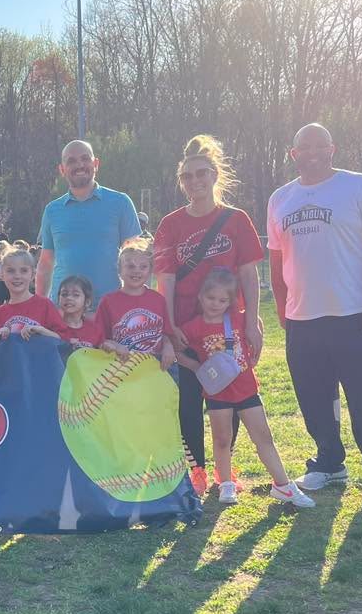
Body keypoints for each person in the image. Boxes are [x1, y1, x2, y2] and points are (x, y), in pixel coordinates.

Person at [268, 123, 362, 499]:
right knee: (314, 397)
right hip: (303, 317)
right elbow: (276, 259)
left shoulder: (359, 186)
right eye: (303, 148)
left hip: (356, 313)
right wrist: (283, 308)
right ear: (293, 154)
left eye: (319, 146)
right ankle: (329, 464)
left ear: (332, 149)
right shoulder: (280, 198)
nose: (311, 153)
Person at [155, 135, 265, 494]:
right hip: (188, 327)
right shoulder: (170, 224)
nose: (194, 182)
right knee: (188, 398)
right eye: (187, 177)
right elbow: (166, 280)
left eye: (201, 174)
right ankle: (197, 472)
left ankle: (224, 470)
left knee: (228, 393)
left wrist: (251, 322)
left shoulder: (236, 219)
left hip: (228, 327)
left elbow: (249, 275)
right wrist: (170, 328)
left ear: (215, 175)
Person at [176, 268, 314, 509]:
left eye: (222, 300)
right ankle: (225, 483)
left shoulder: (238, 319)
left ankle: (282, 485)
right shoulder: (194, 327)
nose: (216, 304)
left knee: (263, 438)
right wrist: (196, 366)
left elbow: (256, 324)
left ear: (230, 301)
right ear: (200, 297)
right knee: (221, 439)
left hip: (246, 389)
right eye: (211, 298)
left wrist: (256, 339)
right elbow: (175, 348)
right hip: (217, 393)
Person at [36, 140, 146, 305]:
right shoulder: (52, 210)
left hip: (109, 310)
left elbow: (136, 259)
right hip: (63, 311)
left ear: (96, 164)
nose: (79, 165)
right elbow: (45, 263)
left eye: (85, 158)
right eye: (71, 161)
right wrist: (40, 307)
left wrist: (135, 302)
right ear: (62, 170)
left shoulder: (120, 202)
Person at [97, 239, 176, 366]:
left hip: (154, 369)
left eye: (143, 266)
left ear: (150, 271)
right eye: (130, 266)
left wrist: (168, 346)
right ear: (119, 270)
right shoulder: (108, 302)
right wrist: (114, 345)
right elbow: (100, 340)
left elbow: (166, 333)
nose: (137, 271)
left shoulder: (158, 299)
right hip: (121, 369)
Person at [0, 245, 68, 339]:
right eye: (11, 271)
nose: (17, 276)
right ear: (1, 275)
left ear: (32, 275)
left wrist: (41, 331)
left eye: (24, 271)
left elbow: (63, 340)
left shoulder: (45, 305)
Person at [57, 275, 105, 348]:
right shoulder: (53, 327)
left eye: (76, 295)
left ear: (87, 302)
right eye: (64, 294)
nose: (69, 298)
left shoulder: (95, 330)